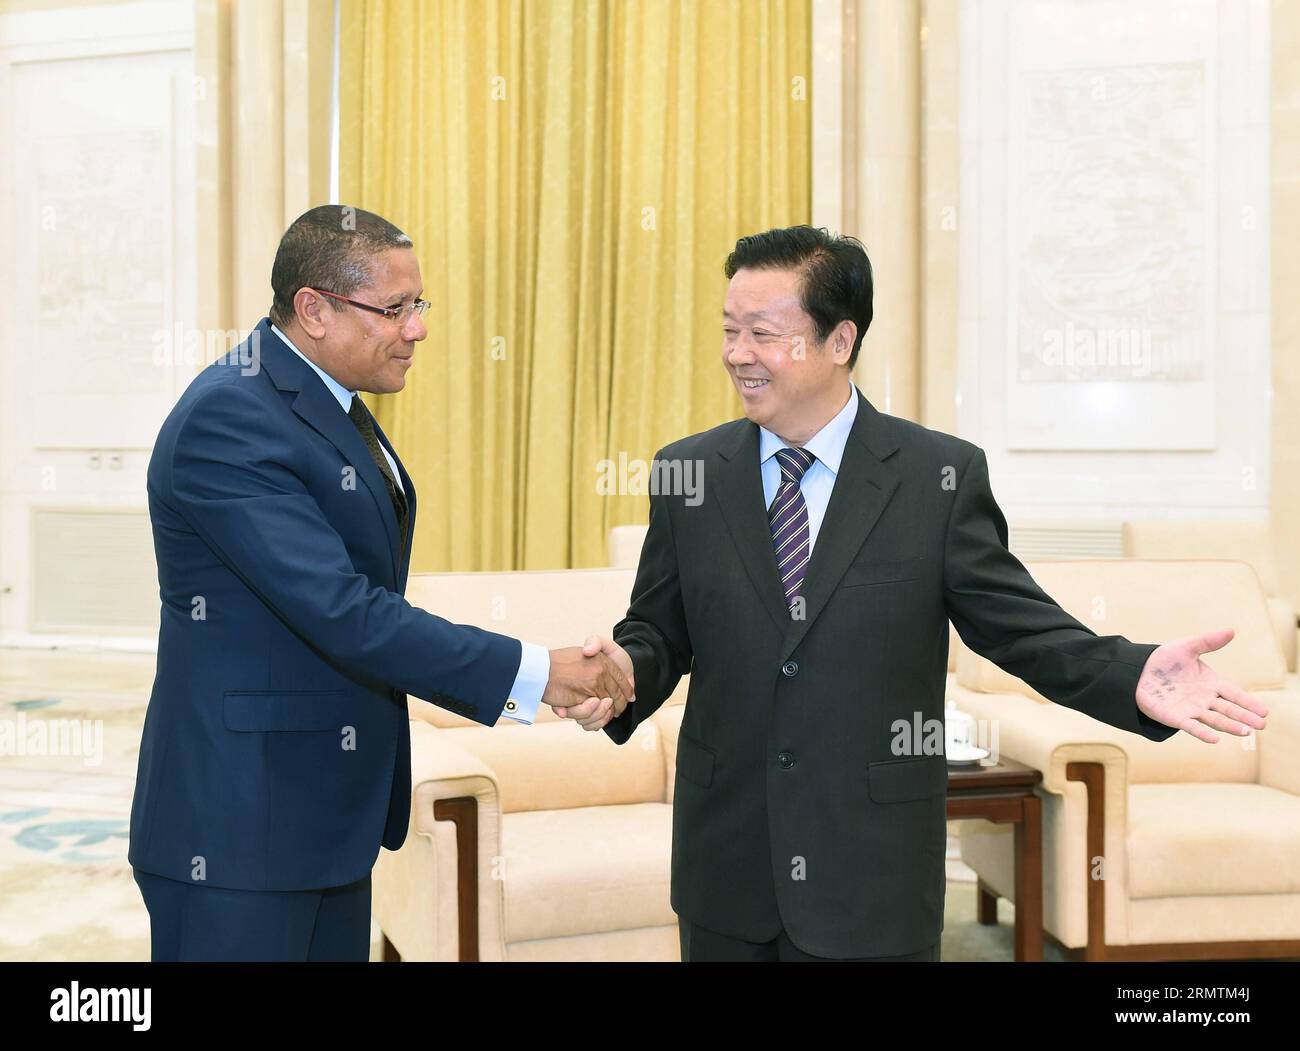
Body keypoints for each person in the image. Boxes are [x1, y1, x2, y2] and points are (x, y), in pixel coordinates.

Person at [578, 225, 1269, 962]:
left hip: (871, 875)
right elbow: (659, 631)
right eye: (728, 330)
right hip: (729, 866)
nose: (737, 353)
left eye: (763, 333)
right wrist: (621, 677)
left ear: (840, 340)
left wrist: (1133, 673)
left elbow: (1018, 628)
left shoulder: (937, 478)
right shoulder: (691, 474)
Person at [128, 204, 632, 961]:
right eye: (394, 309)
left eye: (418, 305)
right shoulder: (229, 418)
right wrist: (540, 672)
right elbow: (346, 613)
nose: (417, 328)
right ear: (314, 310)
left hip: (322, 821)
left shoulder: (326, 401)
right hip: (238, 833)